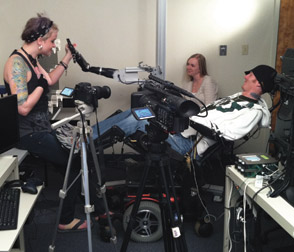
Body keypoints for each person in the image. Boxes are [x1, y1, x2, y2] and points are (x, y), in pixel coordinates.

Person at [3, 13, 104, 232]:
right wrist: (40, 85)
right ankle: (65, 220)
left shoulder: (31, 60)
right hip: (28, 134)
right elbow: (22, 107)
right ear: (39, 40)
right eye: (51, 41)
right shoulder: (16, 64)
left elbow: (49, 80)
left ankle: (85, 204)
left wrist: (67, 58)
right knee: (73, 162)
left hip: (41, 127)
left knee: (78, 154)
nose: (53, 46)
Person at [93, 64, 277, 159]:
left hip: (188, 146)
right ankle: (87, 136)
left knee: (140, 121)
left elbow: (226, 134)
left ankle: (86, 146)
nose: (245, 76)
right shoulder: (239, 97)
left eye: (250, 75)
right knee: (139, 112)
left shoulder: (253, 112)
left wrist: (192, 119)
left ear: (258, 84)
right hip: (183, 132)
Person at [92, 53, 218, 140]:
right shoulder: (187, 83)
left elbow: (211, 108)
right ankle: (90, 134)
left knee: (136, 120)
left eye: (192, 65)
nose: (188, 67)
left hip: (190, 126)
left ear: (200, 67)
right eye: (188, 64)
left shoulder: (208, 81)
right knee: (133, 112)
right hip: (177, 119)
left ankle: (90, 140)